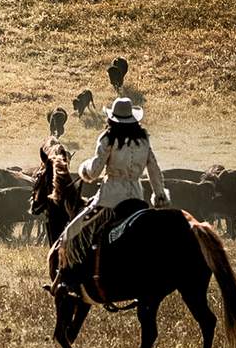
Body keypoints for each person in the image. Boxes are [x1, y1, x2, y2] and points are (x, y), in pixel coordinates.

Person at [49, 98, 167, 297]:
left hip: (109, 199)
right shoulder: (144, 139)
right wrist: (160, 195)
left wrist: (83, 168)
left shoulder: (108, 138)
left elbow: (94, 171)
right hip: (137, 199)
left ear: (112, 118)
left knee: (71, 233)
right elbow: (154, 170)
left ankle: (66, 281)